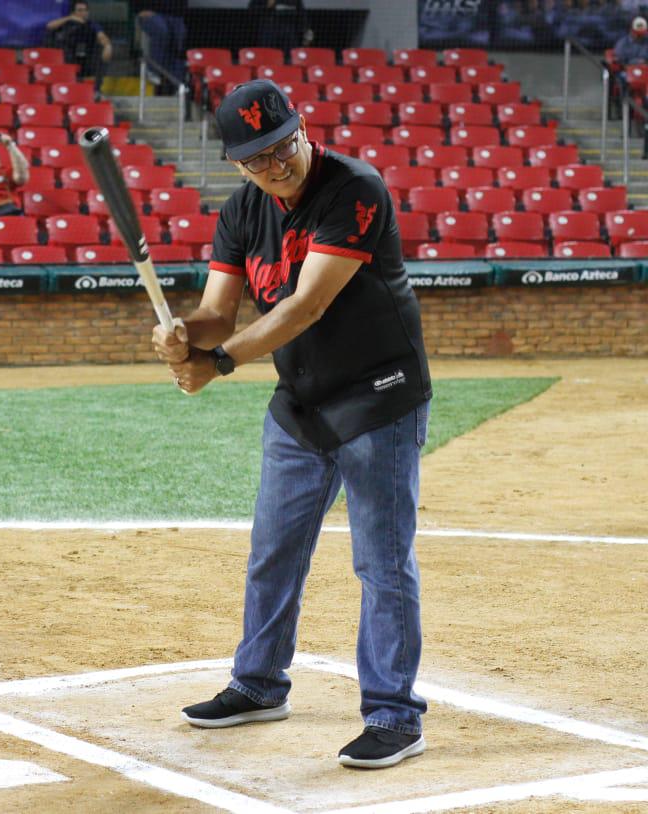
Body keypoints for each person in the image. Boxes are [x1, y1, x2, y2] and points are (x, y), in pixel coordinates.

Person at [154, 79, 431, 770]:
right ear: (237, 164)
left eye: (284, 147)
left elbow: (306, 305)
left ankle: (394, 715)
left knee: (381, 562)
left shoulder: (353, 189)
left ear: (303, 130)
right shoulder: (243, 211)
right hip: (302, 401)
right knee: (273, 551)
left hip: (378, 397)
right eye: (258, 158)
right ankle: (258, 683)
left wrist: (217, 362)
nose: (276, 165)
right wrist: (185, 334)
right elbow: (219, 310)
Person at [45, 0, 113, 99]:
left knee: (99, 55)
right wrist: (70, 18)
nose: (83, 13)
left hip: (86, 59)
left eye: (85, 10)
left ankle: (96, 91)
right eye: (80, 10)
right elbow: (49, 26)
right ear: (73, 12)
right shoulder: (65, 23)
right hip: (67, 59)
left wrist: (108, 46)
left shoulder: (92, 24)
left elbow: (102, 36)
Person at [132, 0, 187, 96]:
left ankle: (178, 85)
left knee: (180, 36)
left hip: (175, 15)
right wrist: (140, 10)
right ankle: (152, 70)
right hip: (150, 13)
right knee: (161, 30)